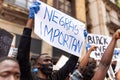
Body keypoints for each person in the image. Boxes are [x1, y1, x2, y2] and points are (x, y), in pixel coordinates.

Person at [17, 1, 79, 80]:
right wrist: (31, 19)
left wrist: (78, 42)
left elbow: (70, 64)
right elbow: (23, 55)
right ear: (37, 65)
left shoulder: (55, 78)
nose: (50, 63)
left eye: (51, 61)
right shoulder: (30, 77)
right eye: (46, 60)